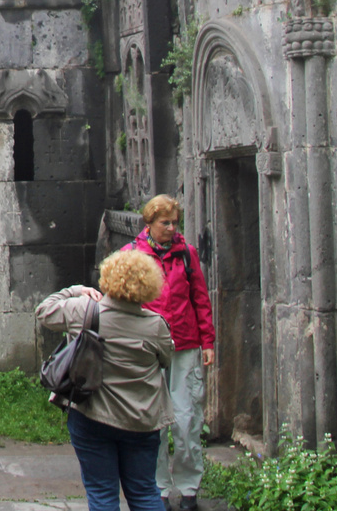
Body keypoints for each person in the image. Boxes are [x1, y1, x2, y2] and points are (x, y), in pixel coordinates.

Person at [36, 249, 173, 511]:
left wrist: (75, 290)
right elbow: (165, 361)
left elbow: (44, 311)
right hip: (141, 421)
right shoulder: (156, 325)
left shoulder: (83, 312)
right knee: (144, 491)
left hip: (92, 415)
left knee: (102, 494)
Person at [125, 195, 215, 511]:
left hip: (186, 343)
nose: (172, 228)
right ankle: (159, 488)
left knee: (188, 419)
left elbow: (200, 299)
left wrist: (208, 342)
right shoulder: (132, 256)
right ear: (149, 223)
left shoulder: (186, 255)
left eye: (175, 222)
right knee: (154, 422)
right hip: (148, 348)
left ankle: (189, 488)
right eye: (165, 222)